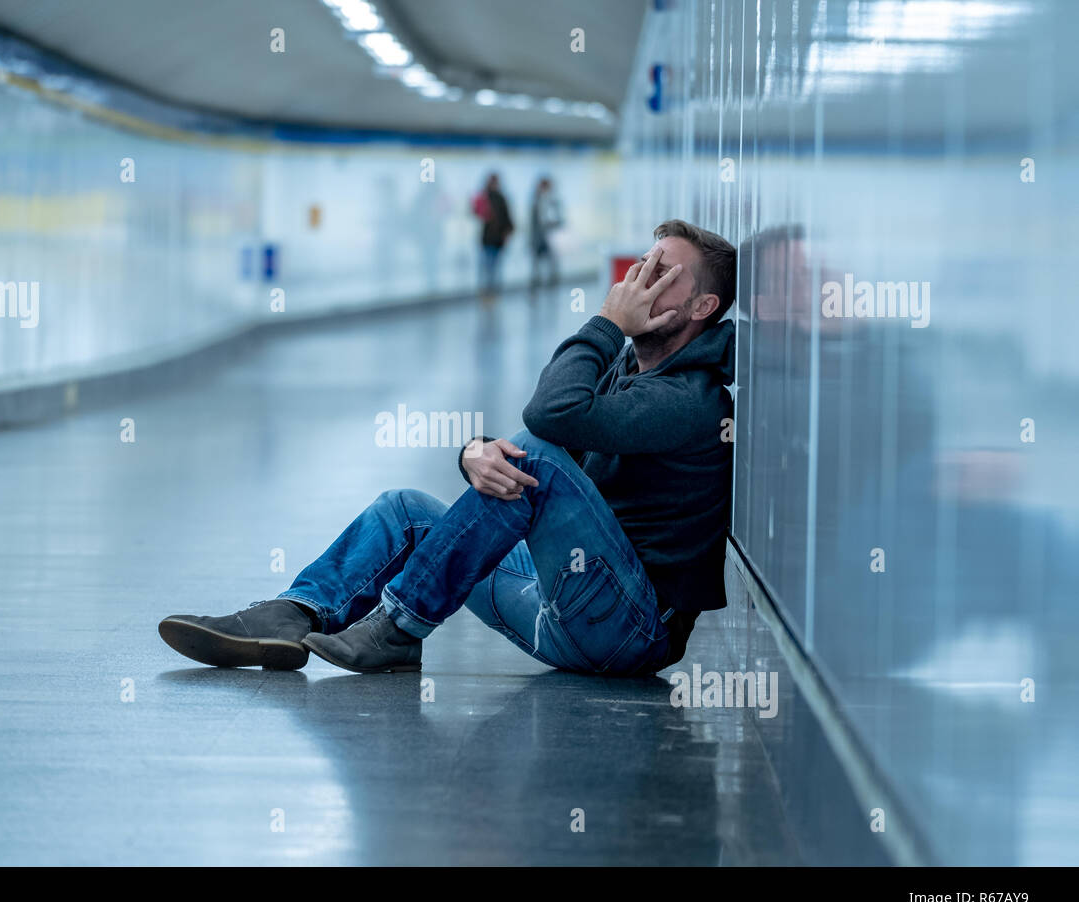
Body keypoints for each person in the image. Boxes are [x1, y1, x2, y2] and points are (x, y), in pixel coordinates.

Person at [159, 219, 738, 676]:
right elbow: (551, 428)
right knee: (404, 510)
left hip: (628, 630)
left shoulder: (691, 399)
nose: (639, 278)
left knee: (533, 454)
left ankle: (398, 625)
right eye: (644, 262)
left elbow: (549, 416)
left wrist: (607, 321)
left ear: (701, 308)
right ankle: (292, 615)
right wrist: (474, 453)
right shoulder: (627, 368)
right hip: (564, 591)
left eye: (664, 273)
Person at [472, 173, 513, 295]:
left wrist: (507, 232)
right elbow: (477, 213)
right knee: (487, 266)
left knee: (493, 267)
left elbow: (507, 218)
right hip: (488, 238)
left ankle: (492, 291)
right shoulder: (484, 197)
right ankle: (486, 291)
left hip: (497, 239)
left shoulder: (500, 198)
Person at [529, 177, 563, 288]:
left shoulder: (551, 200)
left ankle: (550, 282)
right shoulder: (537, 200)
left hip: (548, 237)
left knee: (549, 263)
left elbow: (558, 219)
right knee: (538, 263)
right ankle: (538, 282)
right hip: (540, 238)